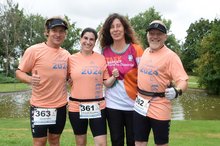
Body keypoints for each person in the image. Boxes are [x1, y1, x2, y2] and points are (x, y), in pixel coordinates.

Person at [16, 16, 70, 146]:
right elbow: (19, 72)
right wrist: (29, 79)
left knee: (55, 140)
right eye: (54, 30)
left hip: (60, 106)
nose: (58, 34)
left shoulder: (66, 55)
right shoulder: (34, 50)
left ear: (65, 34)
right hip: (40, 106)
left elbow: (69, 77)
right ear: (47, 32)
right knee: (39, 142)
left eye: (61, 31)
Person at [134, 20, 189, 146]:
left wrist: (177, 91)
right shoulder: (146, 51)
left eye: (159, 34)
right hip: (140, 105)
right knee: (139, 142)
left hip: (159, 106)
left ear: (165, 37)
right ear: (147, 35)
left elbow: (183, 81)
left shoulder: (171, 56)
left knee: (161, 143)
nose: (154, 37)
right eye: (152, 33)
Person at [68, 27, 119, 146]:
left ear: (95, 42)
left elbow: (106, 83)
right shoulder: (71, 59)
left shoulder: (101, 59)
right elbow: (64, 77)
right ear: (80, 39)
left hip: (97, 106)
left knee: (102, 144)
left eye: (91, 39)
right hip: (76, 106)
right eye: (85, 38)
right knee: (80, 143)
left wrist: (114, 76)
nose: (88, 41)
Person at [99, 13, 144, 146]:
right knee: (116, 141)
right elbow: (102, 77)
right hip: (112, 105)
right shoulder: (104, 51)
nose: (116, 29)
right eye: (112, 27)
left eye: (118, 26)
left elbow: (145, 75)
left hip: (134, 106)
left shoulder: (136, 49)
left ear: (124, 28)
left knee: (132, 141)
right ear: (109, 31)